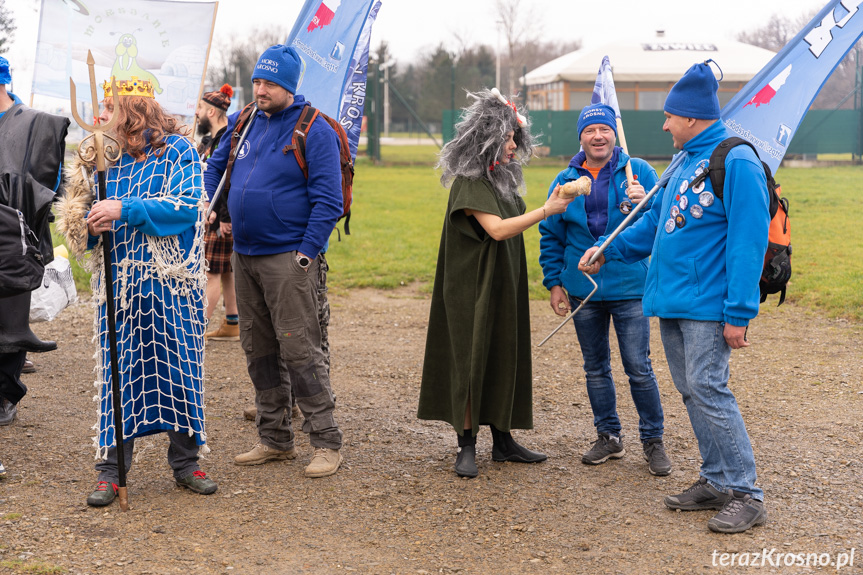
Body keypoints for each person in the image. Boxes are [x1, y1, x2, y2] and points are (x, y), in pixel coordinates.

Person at [578, 60, 769, 534]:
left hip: (709, 306)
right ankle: (716, 479)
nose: (664, 124)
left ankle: (747, 491)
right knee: (691, 392)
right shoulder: (683, 160)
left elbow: (749, 242)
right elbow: (653, 223)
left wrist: (739, 313)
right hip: (672, 301)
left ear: (691, 117)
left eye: (669, 116)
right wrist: (608, 249)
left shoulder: (737, 159)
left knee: (709, 388)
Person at [60, 76, 217, 506]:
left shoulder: (178, 151)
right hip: (122, 288)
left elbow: (186, 207)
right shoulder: (101, 158)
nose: (100, 115)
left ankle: (187, 464)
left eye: (108, 106)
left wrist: (124, 209)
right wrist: (90, 225)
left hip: (172, 286)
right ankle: (112, 471)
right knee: (119, 375)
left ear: (133, 108)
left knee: (180, 372)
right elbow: (81, 225)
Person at [203, 45, 343, 478]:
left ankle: (325, 441)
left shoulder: (313, 129)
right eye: (257, 82)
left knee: (300, 350)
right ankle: (274, 439)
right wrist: (212, 203)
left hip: (288, 259)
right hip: (244, 254)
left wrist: (305, 253)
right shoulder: (245, 121)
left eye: (269, 84)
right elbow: (217, 166)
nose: (260, 90)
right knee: (257, 348)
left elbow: (328, 200)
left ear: (289, 85)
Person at [418, 88, 573, 478]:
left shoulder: (501, 178)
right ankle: (466, 445)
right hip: (470, 286)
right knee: (471, 359)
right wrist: (546, 210)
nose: (512, 144)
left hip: (503, 280)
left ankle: (503, 441)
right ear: (485, 137)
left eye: (514, 137)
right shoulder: (470, 182)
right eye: (505, 137)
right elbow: (498, 229)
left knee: (504, 351)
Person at [538, 103, 671, 476]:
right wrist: (555, 283)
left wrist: (644, 199)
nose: (599, 136)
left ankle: (653, 440)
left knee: (638, 367)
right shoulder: (564, 179)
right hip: (584, 290)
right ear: (580, 136)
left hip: (629, 285)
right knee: (595, 368)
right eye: (591, 130)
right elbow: (551, 234)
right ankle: (608, 436)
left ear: (615, 133)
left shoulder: (638, 171)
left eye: (605, 129)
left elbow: (660, 220)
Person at [0, 56, 68, 436]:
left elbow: (49, 185)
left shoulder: (34, 126)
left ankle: (7, 393)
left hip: (16, 240)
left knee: (11, 322)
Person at [196, 84, 240, 342]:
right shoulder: (210, 139)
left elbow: (230, 181)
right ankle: (232, 322)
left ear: (211, 112)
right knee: (226, 270)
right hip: (217, 214)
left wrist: (224, 217)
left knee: (210, 271)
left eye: (200, 108)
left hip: (219, 216)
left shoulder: (227, 139)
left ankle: (196, 330)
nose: (197, 113)